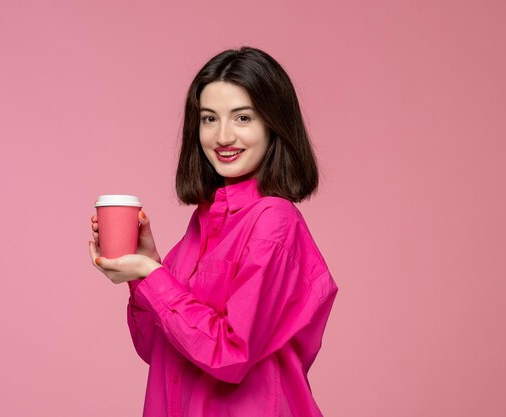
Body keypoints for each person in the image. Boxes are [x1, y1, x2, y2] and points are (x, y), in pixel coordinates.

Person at [88, 46, 339, 417]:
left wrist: (152, 276)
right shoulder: (202, 224)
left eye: (242, 118)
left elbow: (229, 354)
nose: (222, 137)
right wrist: (144, 270)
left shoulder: (273, 220)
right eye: (209, 119)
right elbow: (156, 348)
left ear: (274, 125)